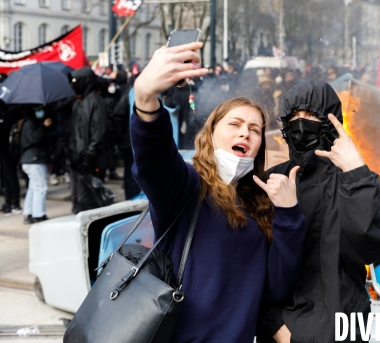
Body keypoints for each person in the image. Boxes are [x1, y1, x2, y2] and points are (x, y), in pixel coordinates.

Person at [131, 42, 305, 342]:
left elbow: (275, 287)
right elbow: (153, 158)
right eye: (235, 124)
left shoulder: (260, 205)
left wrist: (288, 213)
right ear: (211, 133)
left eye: (254, 129)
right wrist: (146, 100)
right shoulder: (187, 186)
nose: (245, 133)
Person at [257, 80, 380, 343]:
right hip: (283, 331)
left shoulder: (356, 178)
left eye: (311, 115)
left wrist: (356, 174)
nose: (301, 124)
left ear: (331, 120)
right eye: (293, 117)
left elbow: (372, 249)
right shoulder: (272, 181)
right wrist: (274, 326)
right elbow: (249, 266)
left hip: (345, 328)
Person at [68, 67, 110, 213]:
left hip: (90, 161)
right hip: (78, 160)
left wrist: (88, 158)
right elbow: (75, 131)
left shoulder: (96, 102)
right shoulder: (78, 102)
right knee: (78, 198)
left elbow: (99, 132)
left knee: (89, 200)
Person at [19, 105, 53, 224]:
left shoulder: (27, 122)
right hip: (35, 159)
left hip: (31, 160)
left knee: (33, 188)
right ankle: (38, 214)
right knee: (40, 188)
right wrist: (44, 126)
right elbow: (34, 138)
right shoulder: (31, 123)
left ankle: (29, 213)